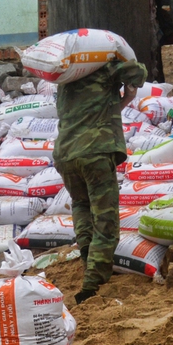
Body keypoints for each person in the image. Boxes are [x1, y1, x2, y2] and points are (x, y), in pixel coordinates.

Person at [56, 50, 147, 304]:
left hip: (65, 154)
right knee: (106, 220)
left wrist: (126, 99)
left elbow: (92, 114)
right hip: (95, 153)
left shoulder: (64, 81)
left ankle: (87, 254)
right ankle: (92, 284)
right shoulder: (103, 68)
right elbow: (138, 72)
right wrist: (119, 60)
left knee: (82, 204)